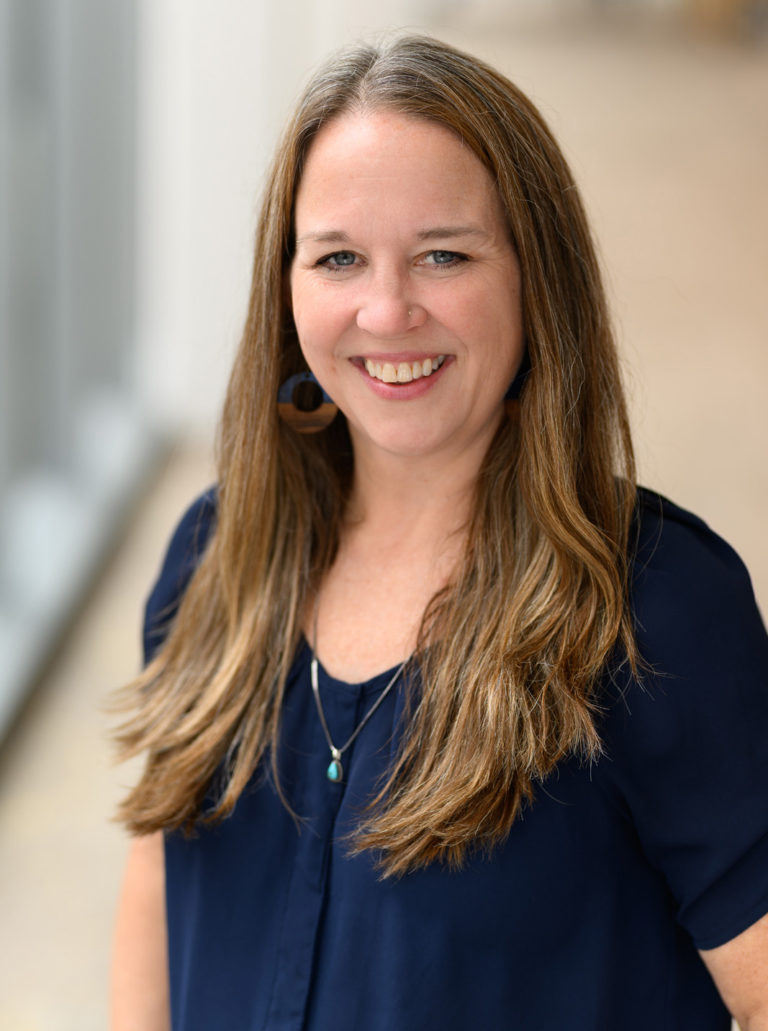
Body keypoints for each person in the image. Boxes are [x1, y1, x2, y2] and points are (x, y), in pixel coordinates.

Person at [111, 33, 768, 1031]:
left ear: (535, 280)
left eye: (443, 254)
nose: (387, 309)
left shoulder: (656, 609)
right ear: (287, 291)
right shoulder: (217, 557)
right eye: (338, 257)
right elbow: (159, 882)